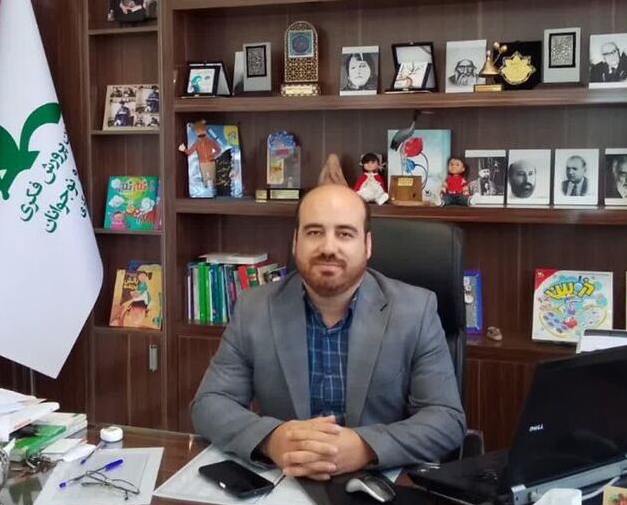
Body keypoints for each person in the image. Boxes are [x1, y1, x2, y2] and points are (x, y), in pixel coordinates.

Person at [191, 184, 466, 475]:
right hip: (287, 480)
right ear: (296, 242)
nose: (328, 248)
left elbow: (446, 419)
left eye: (345, 234)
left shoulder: (415, 310)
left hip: (378, 482)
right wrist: (272, 440)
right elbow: (209, 404)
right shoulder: (254, 308)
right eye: (314, 232)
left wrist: (365, 447)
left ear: (367, 245)